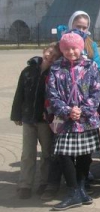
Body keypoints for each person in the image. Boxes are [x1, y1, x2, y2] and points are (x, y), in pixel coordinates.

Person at [46, 32, 100, 211]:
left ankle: (82, 188)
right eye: (66, 49)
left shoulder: (90, 66)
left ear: (80, 48)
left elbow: (96, 91)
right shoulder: (56, 68)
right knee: (64, 154)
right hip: (65, 120)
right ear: (62, 50)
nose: (71, 52)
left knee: (85, 154)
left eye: (74, 48)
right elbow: (52, 94)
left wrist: (83, 110)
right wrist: (68, 111)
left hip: (86, 119)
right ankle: (72, 191)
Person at [11, 43, 61, 199]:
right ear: (44, 51)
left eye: (55, 56)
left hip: (44, 120)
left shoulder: (54, 73)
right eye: (49, 53)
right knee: (27, 153)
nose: (50, 57)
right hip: (28, 118)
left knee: (46, 153)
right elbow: (20, 93)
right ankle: (25, 184)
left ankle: (44, 182)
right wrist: (16, 115)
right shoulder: (28, 71)